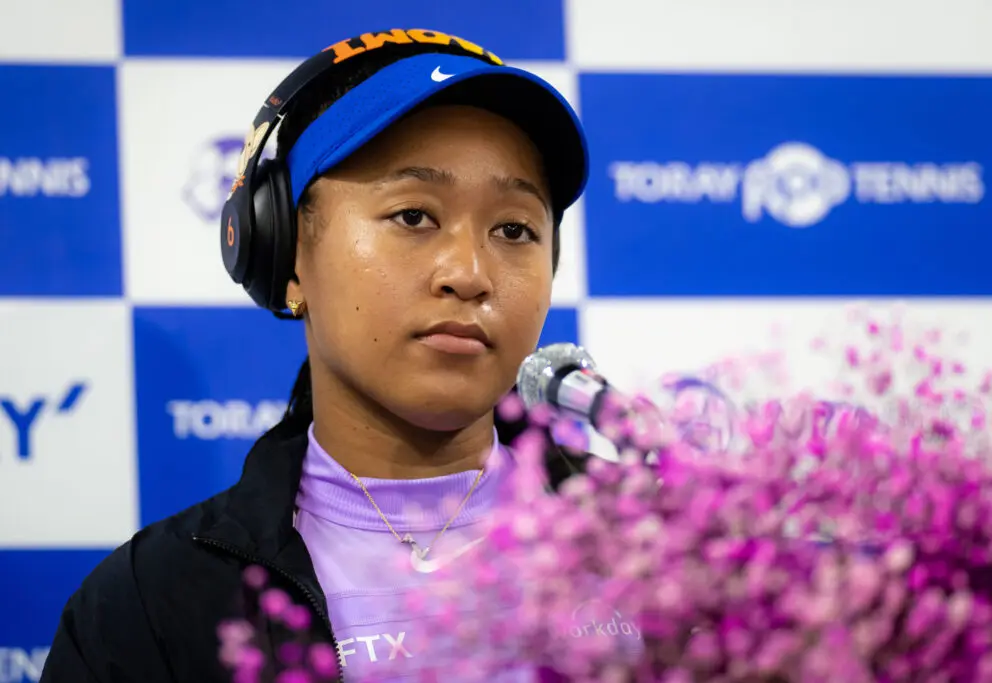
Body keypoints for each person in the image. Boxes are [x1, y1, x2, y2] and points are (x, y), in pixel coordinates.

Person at [39, 28, 593, 683]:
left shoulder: (666, 550)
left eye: (513, 229)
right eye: (414, 216)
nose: (469, 272)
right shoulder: (145, 602)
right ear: (286, 257)